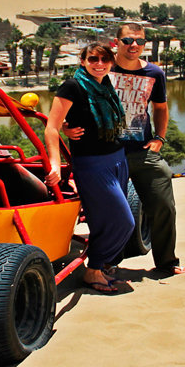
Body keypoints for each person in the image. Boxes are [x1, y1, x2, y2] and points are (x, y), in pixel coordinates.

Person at [66, 23, 185, 275]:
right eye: (128, 41)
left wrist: (160, 138)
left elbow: (161, 107)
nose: (134, 46)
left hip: (141, 151)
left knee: (163, 203)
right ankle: (107, 264)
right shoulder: (101, 68)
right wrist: (66, 128)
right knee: (109, 213)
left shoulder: (155, 73)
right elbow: (72, 102)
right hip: (105, 154)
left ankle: (166, 263)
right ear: (116, 43)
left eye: (140, 42)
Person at [44, 43, 135, 293]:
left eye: (104, 59)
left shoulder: (106, 84)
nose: (99, 64)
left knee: (102, 219)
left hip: (117, 159)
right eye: (93, 59)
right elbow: (51, 127)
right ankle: (93, 270)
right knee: (124, 222)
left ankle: (101, 266)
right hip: (92, 164)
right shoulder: (72, 86)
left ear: (111, 62)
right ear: (82, 60)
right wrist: (54, 162)